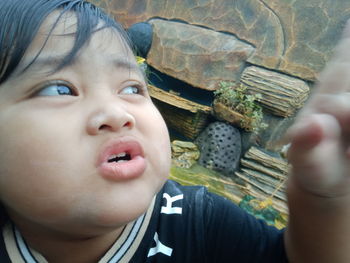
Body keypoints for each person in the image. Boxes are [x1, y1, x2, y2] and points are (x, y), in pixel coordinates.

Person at [0, 0, 349, 262]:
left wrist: (321, 202)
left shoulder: (200, 222)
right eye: (60, 89)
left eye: (132, 88)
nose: (117, 114)